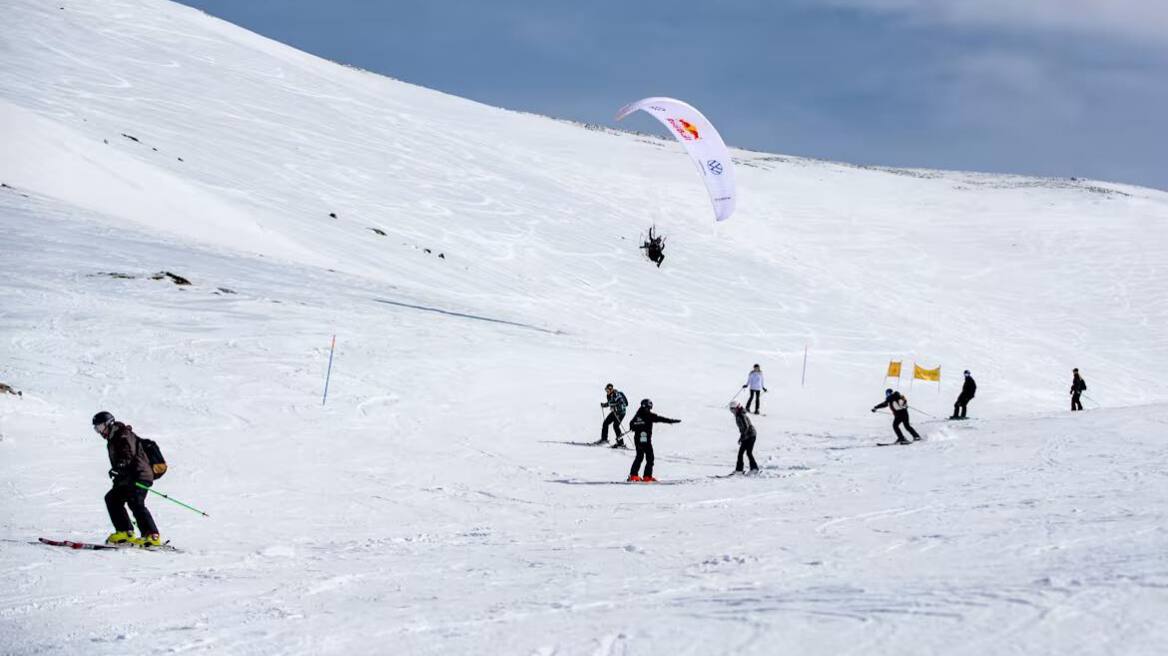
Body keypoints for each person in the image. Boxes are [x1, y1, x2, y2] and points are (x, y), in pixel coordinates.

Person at [92, 411, 161, 547]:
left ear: (108, 423)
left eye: (100, 427)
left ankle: (152, 535)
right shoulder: (113, 438)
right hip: (128, 476)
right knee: (112, 498)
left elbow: (127, 452)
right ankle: (125, 532)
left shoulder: (122, 434)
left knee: (135, 501)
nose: (99, 432)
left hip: (140, 474)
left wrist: (121, 465)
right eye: (96, 429)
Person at [627, 399, 680, 482]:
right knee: (648, 457)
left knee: (641, 457)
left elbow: (632, 424)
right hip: (643, 440)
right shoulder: (647, 415)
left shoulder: (638, 415)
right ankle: (640, 476)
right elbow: (632, 425)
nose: (648, 409)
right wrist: (671, 421)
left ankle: (638, 475)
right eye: (648, 407)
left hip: (639, 439)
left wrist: (671, 421)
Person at [731, 402, 759, 473]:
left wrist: (743, 436)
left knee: (748, 452)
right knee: (741, 453)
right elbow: (743, 428)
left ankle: (754, 469)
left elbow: (746, 426)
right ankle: (739, 469)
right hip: (747, 435)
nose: (732, 411)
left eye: (733, 409)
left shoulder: (741, 415)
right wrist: (741, 437)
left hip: (751, 435)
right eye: (731, 410)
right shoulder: (738, 415)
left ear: (737, 408)